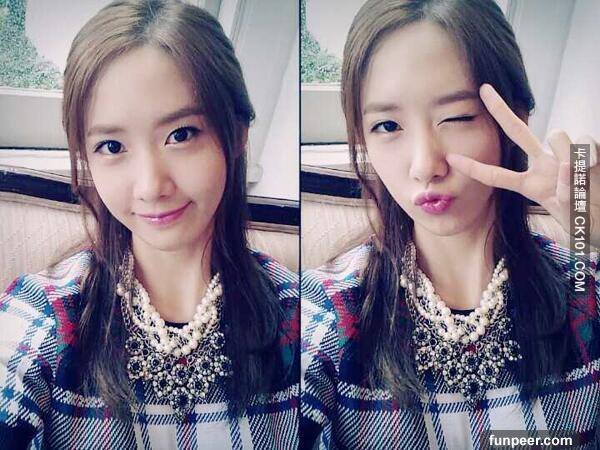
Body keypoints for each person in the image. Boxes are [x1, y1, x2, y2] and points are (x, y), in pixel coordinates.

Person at [300, 0, 599, 448]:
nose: (425, 166)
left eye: (457, 118)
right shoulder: (324, 315)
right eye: (387, 126)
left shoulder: (585, 295)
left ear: (517, 117)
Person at [0, 1, 298, 448]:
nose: (151, 186)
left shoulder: (300, 315)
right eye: (111, 146)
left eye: (181, 135)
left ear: (237, 134)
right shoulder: (41, 319)